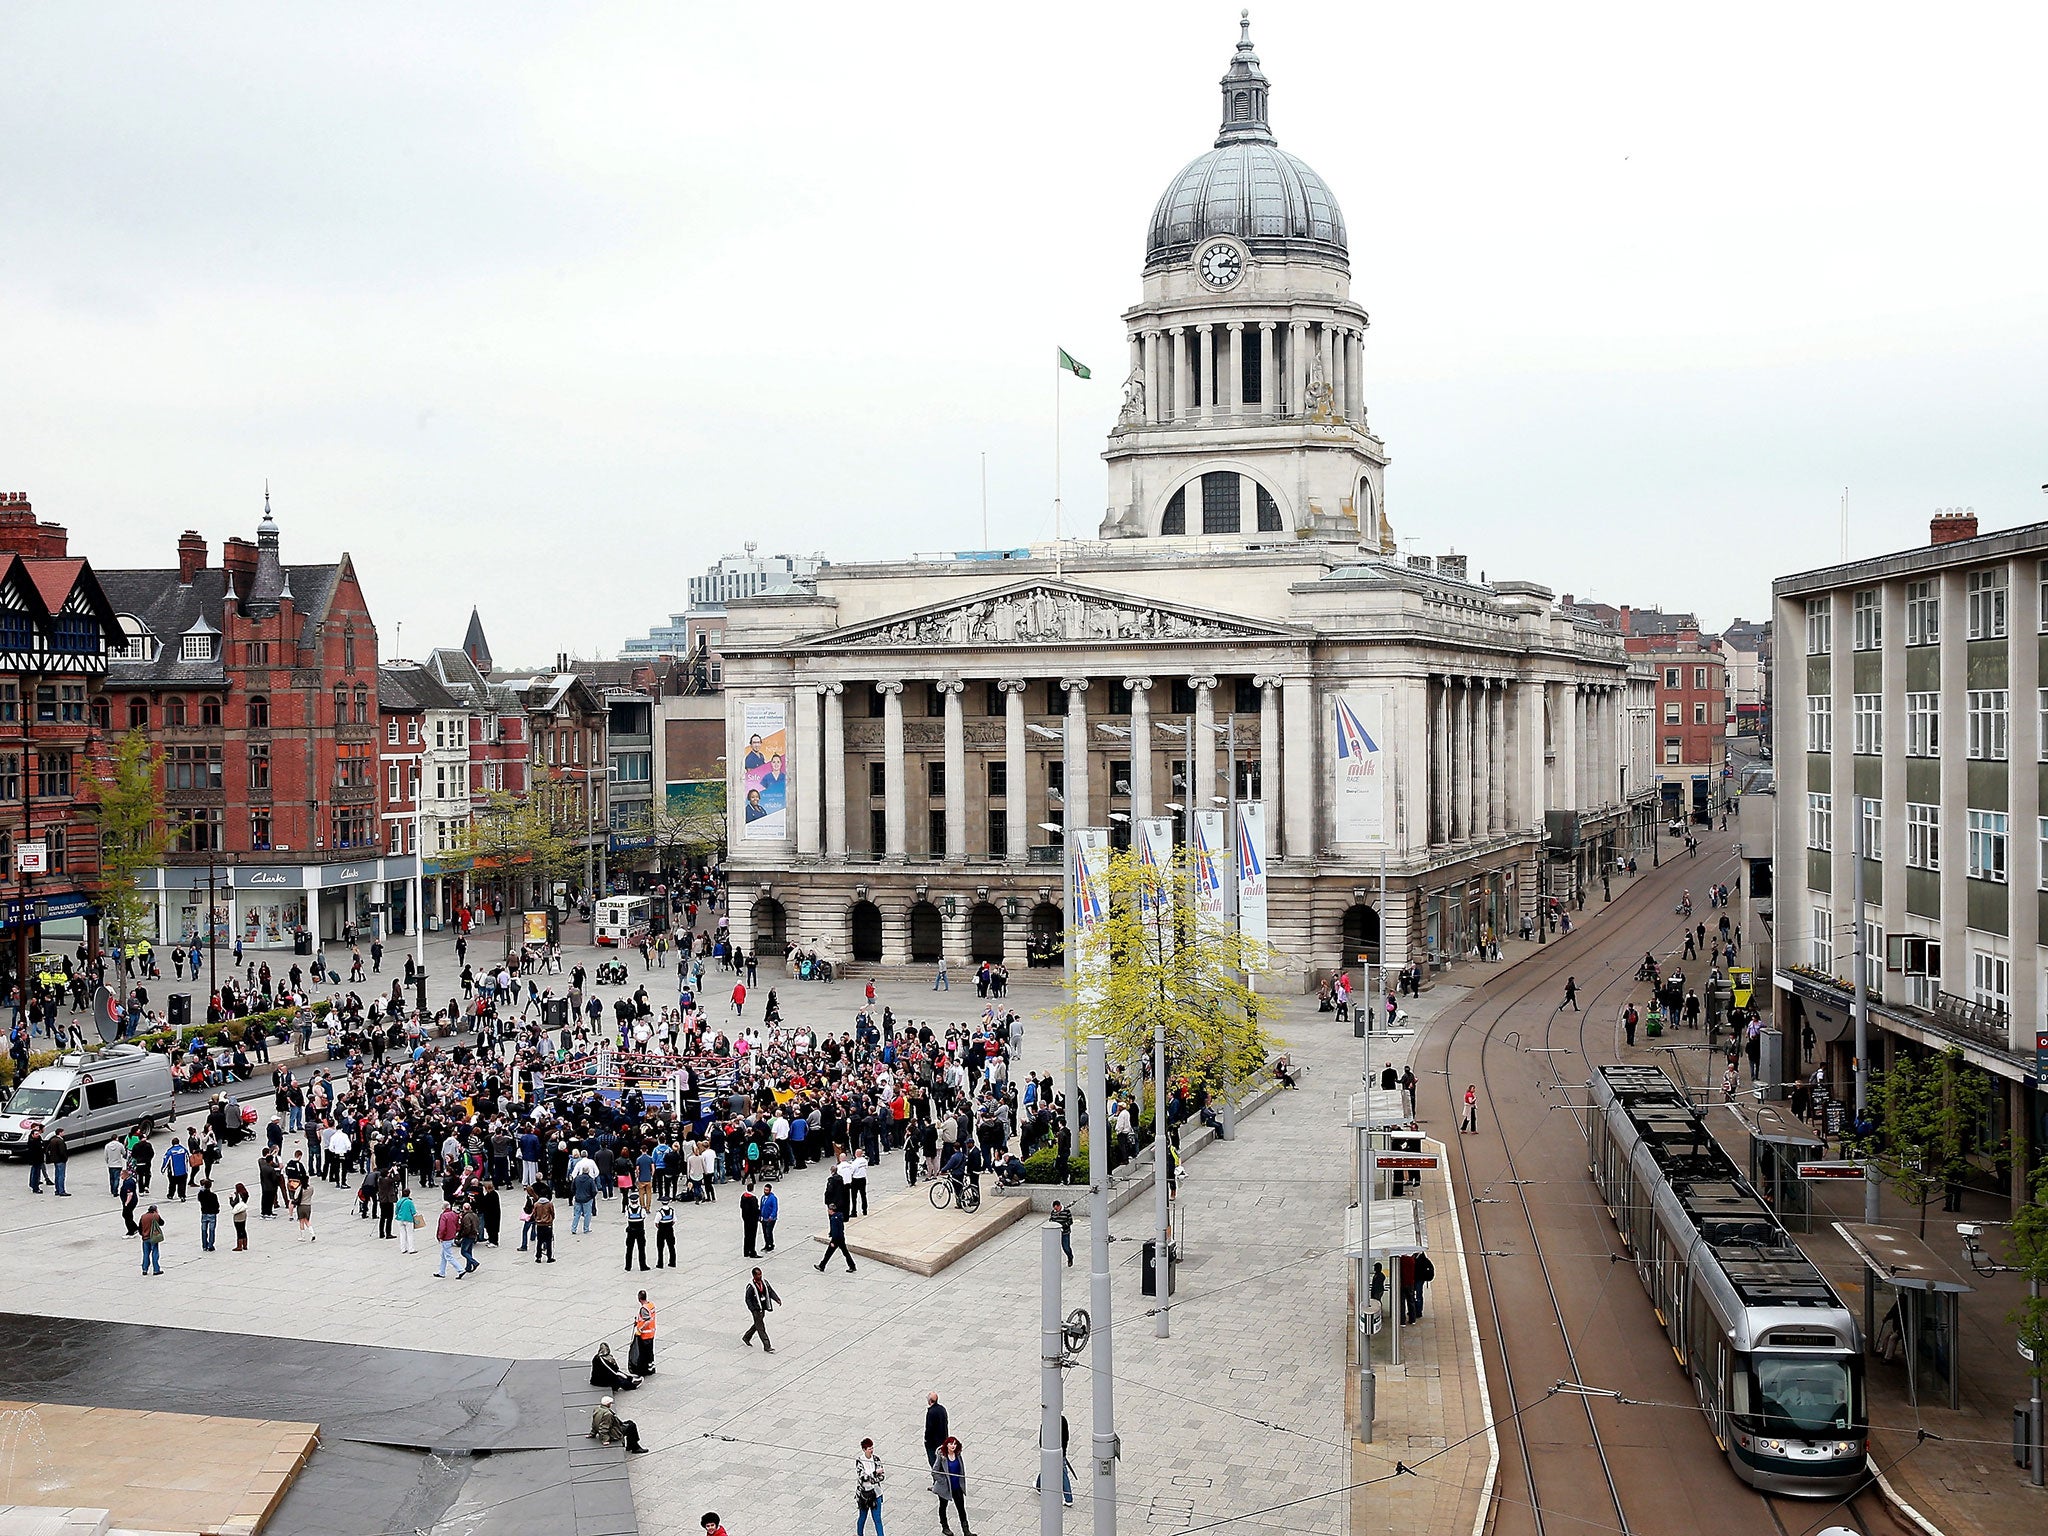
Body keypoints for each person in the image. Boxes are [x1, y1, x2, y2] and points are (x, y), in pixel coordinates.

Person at [930, 1436, 972, 1536]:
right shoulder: (942, 1456)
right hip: (945, 1487)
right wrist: (943, 1481)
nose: (953, 1446)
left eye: (954, 1444)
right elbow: (934, 1471)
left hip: (957, 1486)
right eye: (951, 1444)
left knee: (961, 1508)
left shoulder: (958, 1454)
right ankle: (945, 1527)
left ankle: (966, 1530)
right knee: (943, 1506)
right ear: (947, 1445)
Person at [742, 1265, 781, 1353]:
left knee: (757, 1324)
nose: (760, 1276)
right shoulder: (751, 1286)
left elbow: (770, 1291)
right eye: (758, 1275)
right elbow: (747, 1299)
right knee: (761, 1327)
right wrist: (752, 1309)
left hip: (762, 1307)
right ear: (754, 1276)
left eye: (760, 1274)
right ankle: (767, 1346)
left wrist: (777, 1299)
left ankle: (746, 1337)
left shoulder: (764, 1282)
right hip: (756, 1309)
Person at [855, 1438, 886, 1536]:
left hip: (875, 1493)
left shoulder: (876, 1459)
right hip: (863, 1494)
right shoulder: (860, 1461)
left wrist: (872, 1477)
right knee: (862, 1517)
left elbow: (882, 1477)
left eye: (872, 1448)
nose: (871, 1450)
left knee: (877, 1519)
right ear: (864, 1450)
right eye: (869, 1449)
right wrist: (874, 1473)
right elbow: (862, 1476)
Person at [629, 1290, 657, 1376]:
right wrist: (637, 1322)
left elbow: (647, 1320)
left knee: (644, 1353)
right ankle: (651, 1367)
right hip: (651, 1333)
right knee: (650, 1352)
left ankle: (644, 1370)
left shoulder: (644, 1308)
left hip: (645, 1334)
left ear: (639, 1299)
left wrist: (640, 1329)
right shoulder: (651, 1305)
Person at [138, 1202, 165, 1275]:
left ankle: (144, 1269)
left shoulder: (143, 1216)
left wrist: (142, 1235)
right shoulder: (155, 1216)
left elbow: (140, 1227)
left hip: (145, 1238)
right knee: (155, 1253)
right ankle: (156, 1270)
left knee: (146, 1254)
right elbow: (162, 1223)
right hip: (153, 1237)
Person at [923, 1392, 949, 1467]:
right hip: (943, 1440)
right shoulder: (942, 1409)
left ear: (930, 1401)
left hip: (933, 1443)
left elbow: (929, 1428)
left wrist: (926, 1439)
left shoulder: (931, 1412)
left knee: (934, 1461)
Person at [624, 1196, 649, 1271]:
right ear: (637, 1201)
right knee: (641, 1248)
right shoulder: (642, 1210)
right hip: (640, 1231)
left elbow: (627, 1217)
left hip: (631, 1231)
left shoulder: (628, 1210)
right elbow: (644, 1217)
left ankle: (628, 1266)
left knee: (629, 1249)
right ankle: (643, 1266)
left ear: (631, 1201)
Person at [196, 1178, 221, 1251]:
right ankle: (210, 1245)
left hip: (204, 1213)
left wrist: (201, 1188)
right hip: (212, 1213)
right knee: (212, 1230)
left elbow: (199, 1198)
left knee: (204, 1230)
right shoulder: (213, 1195)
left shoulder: (201, 1195)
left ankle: (204, 1245)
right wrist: (217, 1210)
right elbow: (217, 1204)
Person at [532, 1188, 556, 1263]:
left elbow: (534, 1214)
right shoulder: (549, 1204)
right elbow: (552, 1213)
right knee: (549, 1241)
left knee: (539, 1241)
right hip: (548, 1224)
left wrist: (537, 1219)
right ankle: (549, 1257)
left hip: (539, 1225)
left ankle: (538, 1257)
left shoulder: (536, 1204)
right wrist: (551, 1219)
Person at [396, 1185, 419, 1255]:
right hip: (408, 1219)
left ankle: (403, 1248)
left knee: (402, 1234)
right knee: (410, 1234)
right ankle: (411, 1248)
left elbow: (396, 1211)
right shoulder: (409, 1202)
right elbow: (414, 1212)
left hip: (400, 1219)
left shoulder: (399, 1201)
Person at [1049, 1200, 1073, 1266]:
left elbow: (1070, 1221)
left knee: (1066, 1247)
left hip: (1065, 1232)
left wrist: (1063, 1226)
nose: (1055, 1210)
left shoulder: (1066, 1211)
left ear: (1059, 1206)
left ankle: (1070, 1257)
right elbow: (1051, 1220)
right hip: (1056, 1233)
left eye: (1056, 1209)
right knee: (1054, 1248)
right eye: (1054, 1209)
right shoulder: (1053, 1213)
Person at [654, 1198, 676, 1268]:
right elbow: (674, 1220)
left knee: (660, 1247)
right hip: (669, 1229)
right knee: (671, 1246)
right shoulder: (672, 1211)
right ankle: (672, 1262)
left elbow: (656, 1223)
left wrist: (660, 1227)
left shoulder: (659, 1212)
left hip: (662, 1229)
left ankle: (660, 1263)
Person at [740, 1183, 760, 1258]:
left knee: (746, 1235)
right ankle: (752, 1251)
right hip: (752, 1220)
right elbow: (755, 1210)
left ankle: (746, 1251)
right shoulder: (753, 1198)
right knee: (752, 1236)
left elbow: (741, 1206)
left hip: (746, 1219)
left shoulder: (743, 1196)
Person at [229, 1182, 250, 1250]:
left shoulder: (238, 1195)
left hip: (238, 1214)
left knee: (239, 1230)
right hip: (243, 1213)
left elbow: (233, 1204)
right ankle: (245, 1245)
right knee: (243, 1229)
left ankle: (239, 1246)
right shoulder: (245, 1194)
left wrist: (231, 1198)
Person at [760, 1183, 778, 1252]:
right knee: (764, 1232)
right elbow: (761, 1207)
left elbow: (775, 1208)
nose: (765, 1191)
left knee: (768, 1231)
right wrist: (760, 1215)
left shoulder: (773, 1198)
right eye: (764, 1190)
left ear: (770, 1190)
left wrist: (772, 1216)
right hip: (764, 1218)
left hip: (770, 1219)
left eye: (767, 1190)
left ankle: (771, 1244)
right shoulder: (763, 1197)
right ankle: (766, 1244)